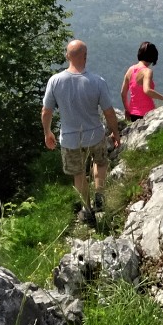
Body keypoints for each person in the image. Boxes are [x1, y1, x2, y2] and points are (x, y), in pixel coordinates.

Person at [42, 39, 121, 226]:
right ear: (85, 56)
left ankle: (87, 210)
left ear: (67, 56)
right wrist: (115, 132)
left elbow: (46, 111)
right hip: (95, 134)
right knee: (100, 162)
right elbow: (109, 112)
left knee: (78, 174)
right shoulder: (97, 81)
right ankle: (99, 194)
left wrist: (47, 132)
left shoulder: (55, 81)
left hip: (70, 139)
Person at [120, 41, 163, 121]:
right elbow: (147, 90)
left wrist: (127, 109)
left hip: (133, 114)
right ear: (153, 57)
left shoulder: (130, 70)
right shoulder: (147, 71)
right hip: (147, 114)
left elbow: (123, 93)